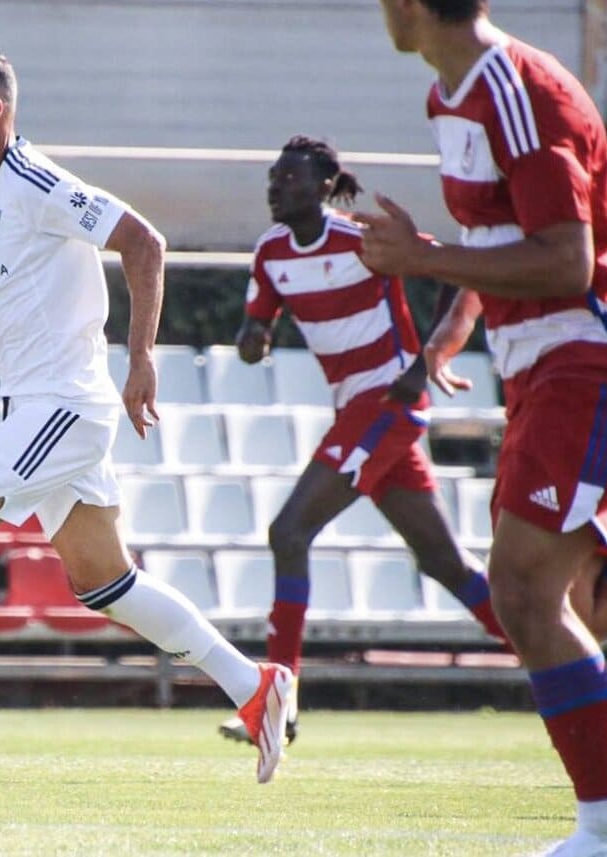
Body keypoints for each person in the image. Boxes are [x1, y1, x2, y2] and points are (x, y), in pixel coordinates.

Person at [0, 47, 292, 783]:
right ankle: (254, 685)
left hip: (64, 406)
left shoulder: (37, 181)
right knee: (106, 582)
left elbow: (143, 242)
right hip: (41, 408)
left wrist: (140, 358)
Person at [359, 2, 607, 854]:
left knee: (524, 596)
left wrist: (420, 258)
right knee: (571, 613)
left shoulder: (519, 92)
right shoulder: (448, 95)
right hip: (538, 364)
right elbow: (499, 236)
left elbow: (567, 256)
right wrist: (453, 325)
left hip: (584, 357)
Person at [216, 135, 509, 747]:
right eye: (273, 176)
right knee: (444, 564)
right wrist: (252, 340)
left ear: (325, 186)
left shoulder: (362, 239)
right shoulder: (271, 252)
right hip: (356, 409)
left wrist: (425, 361)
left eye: (290, 177)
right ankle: (557, 656)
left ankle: (280, 700)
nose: (276, 186)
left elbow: (455, 274)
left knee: (288, 532)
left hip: (388, 404)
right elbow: (256, 326)